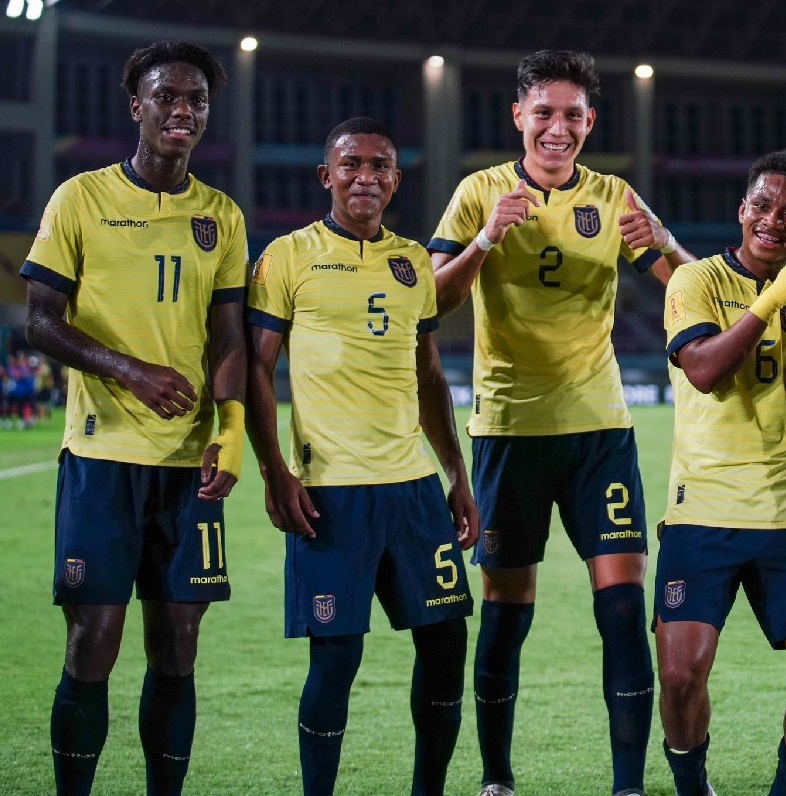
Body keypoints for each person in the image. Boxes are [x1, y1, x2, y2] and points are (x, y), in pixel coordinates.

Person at [428, 49, 697, 796]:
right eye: (542, 112)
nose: (556, 128)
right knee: (506, 617)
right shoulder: (478, 192)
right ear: (517, 116)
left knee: (620, 613)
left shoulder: (612, 197)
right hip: (509, 433)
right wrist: (484, 241)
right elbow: (430, 300)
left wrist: (667, 243)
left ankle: (625, 787)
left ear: (589, 122)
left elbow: (694, 289)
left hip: (598, 431)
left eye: (571, 115)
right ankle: (497, 779)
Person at [20, 40, 248, 796]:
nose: (182, 109)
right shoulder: (80, 199)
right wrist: (130, 371)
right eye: (167, 96)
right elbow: (40, 322)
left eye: (197, 100)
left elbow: (226, 338)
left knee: (178, 646)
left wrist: (231, 431)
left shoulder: (220, 215)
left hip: (190, 470)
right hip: (101, 458)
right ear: (137, 107)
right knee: (94, 642)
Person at [245, 116, 478, 796]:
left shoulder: (411, 263)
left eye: (380, 165)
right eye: (351, 164)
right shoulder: (286, 256)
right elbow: (259, 369)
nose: (366, 176)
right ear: (327, 176)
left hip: (412, 489)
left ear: (396, 180)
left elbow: (429, 376)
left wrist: (456, 474)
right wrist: (272, 469)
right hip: (330, 492)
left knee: (444, 647)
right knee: (336, 657)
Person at [655, 150, 786, 796]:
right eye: (763, 206)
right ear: (741, 210)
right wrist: (769, 301)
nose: (773, 220)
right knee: (681, 676)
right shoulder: (694, 283)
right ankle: (692, 790)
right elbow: (705, 372)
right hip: (700, 512)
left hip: (784, 510)